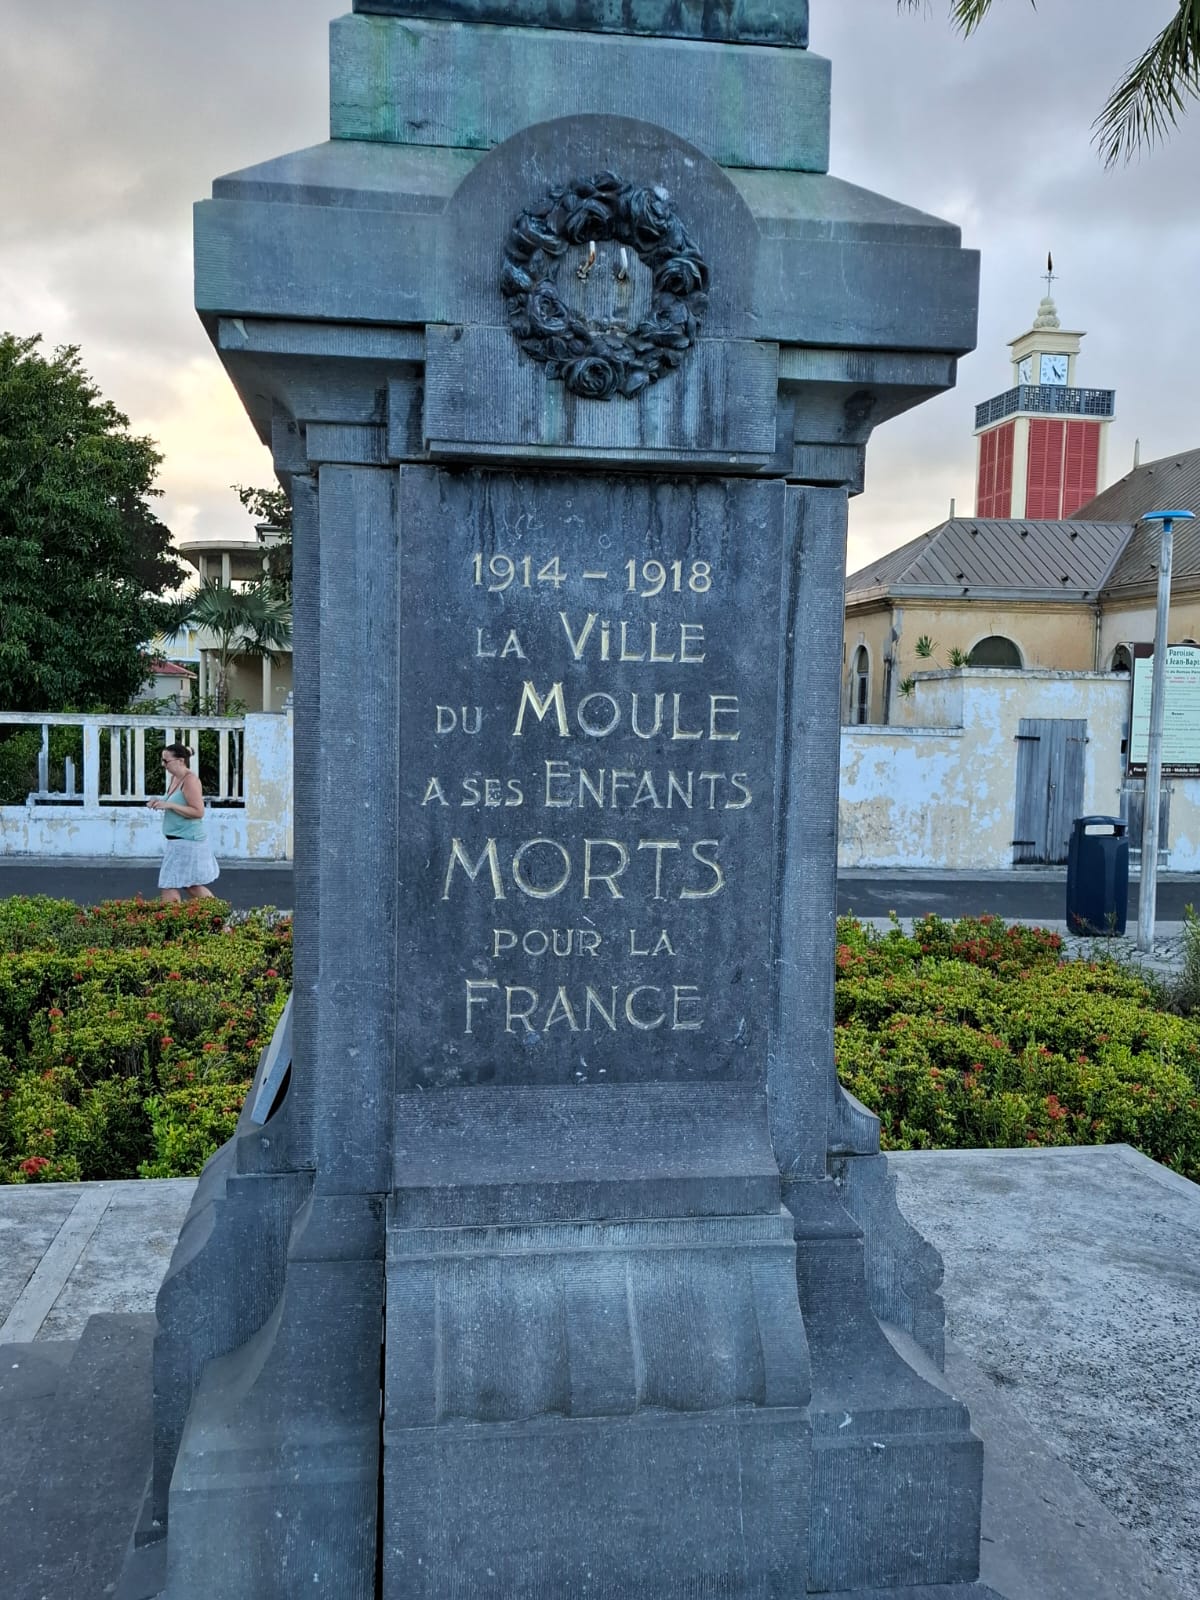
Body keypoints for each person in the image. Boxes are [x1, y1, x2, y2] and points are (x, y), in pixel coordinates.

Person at [147, 743, 220, 902]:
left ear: (180, 761)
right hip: (178, 842)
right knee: (190, 885)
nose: (163, 765)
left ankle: (174, 922)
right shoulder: (175, 778)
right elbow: (174, 802)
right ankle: (221, 920)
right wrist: (159, 802)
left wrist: (170, 805)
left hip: (189, 841)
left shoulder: (190, 780)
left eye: (166, 761)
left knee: (171, 884)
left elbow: (198, 812)